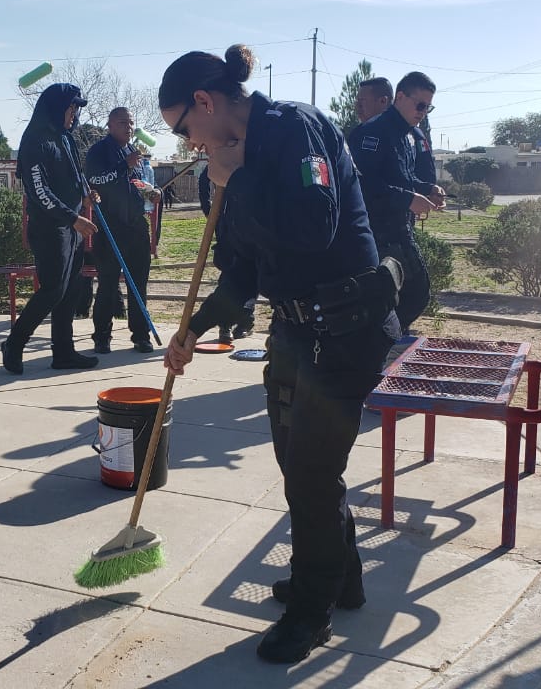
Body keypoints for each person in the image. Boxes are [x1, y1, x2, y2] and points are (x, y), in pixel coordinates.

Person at [159, 45, 401, 664]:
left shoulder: (295, 129)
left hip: (346, 330)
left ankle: (310, 613)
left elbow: (311, 229)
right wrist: (201, 324)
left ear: (206, 103)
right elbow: (243, 265)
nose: (190, 144)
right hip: (295, 331)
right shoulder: (232, 156)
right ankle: (339, 579)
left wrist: (237, 179)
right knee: (302, 468)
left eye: (185, 129)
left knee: (313, 475)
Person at [0, 83, 100, 374]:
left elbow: (73, 173)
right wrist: (73, 217)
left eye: (76, 109)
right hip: (50, 227)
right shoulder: (36, 140)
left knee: (69, 289)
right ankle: (15, 343)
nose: (74, 114)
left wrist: (85, 194)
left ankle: (64, 352)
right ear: (57, 108)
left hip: (71, 226)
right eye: (71, 108)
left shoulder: (65, 137)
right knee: (53, 289)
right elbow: (39, 191)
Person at [349, 72, 444, 334]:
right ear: (400, 97)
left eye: (428, 106)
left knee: (411, 295)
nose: (424, 112)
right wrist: (408, 199)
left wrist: (427, 189)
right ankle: (377, 346)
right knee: (408, 295)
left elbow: (404, 177)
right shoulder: (372, 132)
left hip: (399, 228)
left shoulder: (408, 135)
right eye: (420, 105)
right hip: (375, 232)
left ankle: (381, 345)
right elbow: (362, 184)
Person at [86, 107, 155, 354]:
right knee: (107, 285)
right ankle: (102, 335)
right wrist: (123, 166)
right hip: (110, 227)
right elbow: (96, 181)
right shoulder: (99, 151)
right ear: (110, 125)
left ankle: (141, 335)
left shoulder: (132, 151)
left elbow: (135, 182)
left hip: (136, 226)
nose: (128, 127)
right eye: (123, 122)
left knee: (139, 284)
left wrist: (150, 192)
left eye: (131, 122)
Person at [198, 167, 254, 343]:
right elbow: (204, 179)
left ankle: (245, 323)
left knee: (251, 279)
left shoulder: (250, 162)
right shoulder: (224, 160)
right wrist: (209, 209)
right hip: (227, 232)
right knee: (228, 279)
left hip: (250, 229)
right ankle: (225, 325)